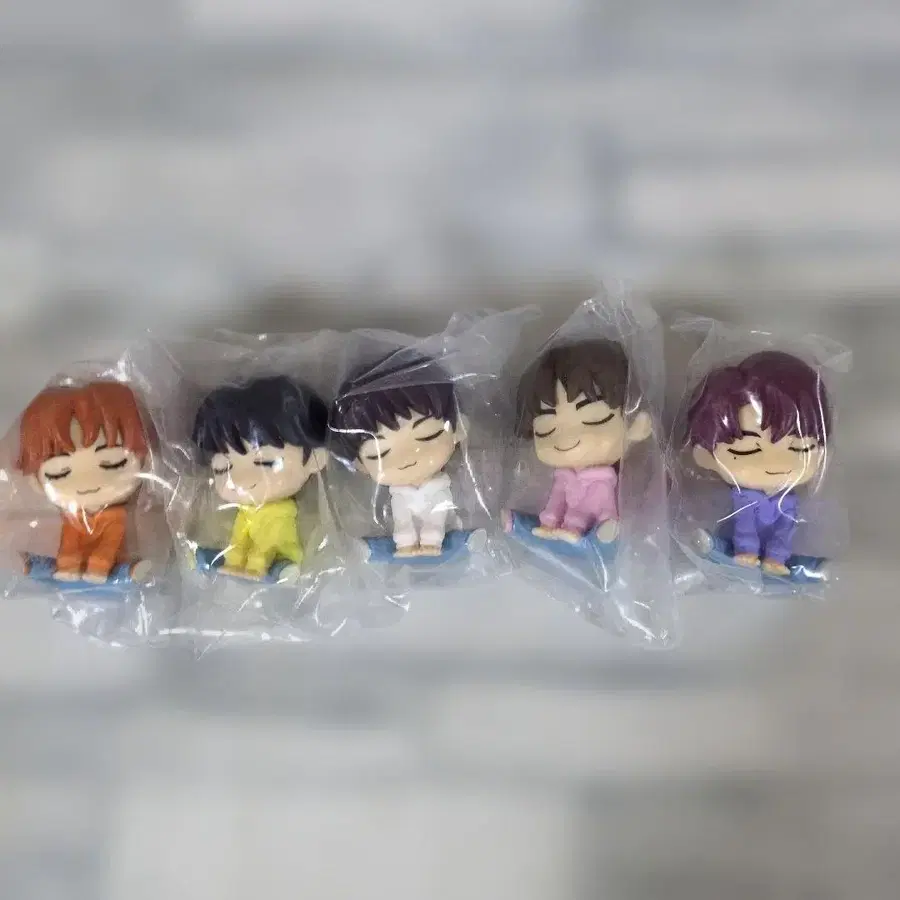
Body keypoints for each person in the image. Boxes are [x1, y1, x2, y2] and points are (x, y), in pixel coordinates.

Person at [685, 350, 830, 576]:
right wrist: (747, 551)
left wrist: (777, 556)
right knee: (723, 548)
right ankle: (716, 549)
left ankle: (807, 568)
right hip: (738, 546)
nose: (776, 463)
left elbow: (785, 530)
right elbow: (744, 527)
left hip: (775, 556)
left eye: (799, 448)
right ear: (705, 456)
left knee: (788, 558)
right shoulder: (743, 498)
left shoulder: (789, 502)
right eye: (748, 450)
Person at [516, 339, 652, 544]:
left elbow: (606, 505)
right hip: (562, 524)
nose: (566, 439)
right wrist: (550, 518)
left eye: (594, 421)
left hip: (600, 522)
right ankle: (544, 526)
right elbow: (556, 500)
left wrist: (607, 521)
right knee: (553, 511)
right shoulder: (563, 476)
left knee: (596, 519)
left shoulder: (606, 479)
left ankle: (588, 531)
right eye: (546, 430)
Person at [192, 376, 328, 579]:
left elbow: (273, 540)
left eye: (266, 463)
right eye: (222, 468)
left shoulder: (285, 511)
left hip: (279, 557)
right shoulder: (243, 512)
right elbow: (239, 538)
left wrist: (257, 562)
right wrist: (234, 557)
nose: (241, 480)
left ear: (314, 460)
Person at [330, 352, 463, 557]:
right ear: (360, 464)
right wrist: (404, 542)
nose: (406, 458)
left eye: (427, 436)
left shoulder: (441, 489)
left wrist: (433, 539)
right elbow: (402, 521)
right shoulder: (398, 495)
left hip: (448, 535)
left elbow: (438, 518)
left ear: (459, 430)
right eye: (380, 454)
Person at [17, 381, 151, 582]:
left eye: (112, 464)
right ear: (35, 480)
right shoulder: (72, 517)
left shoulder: (115, 516)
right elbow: (69, 545)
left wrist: (99, 566)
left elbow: (109, 546)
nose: (89, 482)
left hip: (110, 567)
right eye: (59, 473)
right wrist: (67, 565)